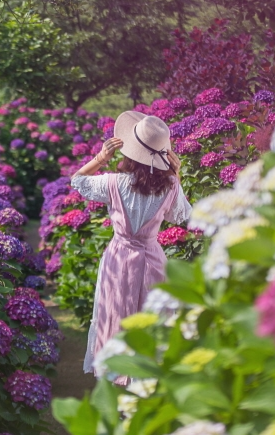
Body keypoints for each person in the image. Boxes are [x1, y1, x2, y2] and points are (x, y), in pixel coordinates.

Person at [71, 111, 192, 382]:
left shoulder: (113, 182)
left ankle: (116, 373)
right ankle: (147, 379)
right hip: (152, 258)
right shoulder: (170, 185)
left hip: (119, 257)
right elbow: (180, 216)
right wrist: (177, 175)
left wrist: (101, 158)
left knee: (115, 312)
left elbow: (77, 181)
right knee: (151, 318)